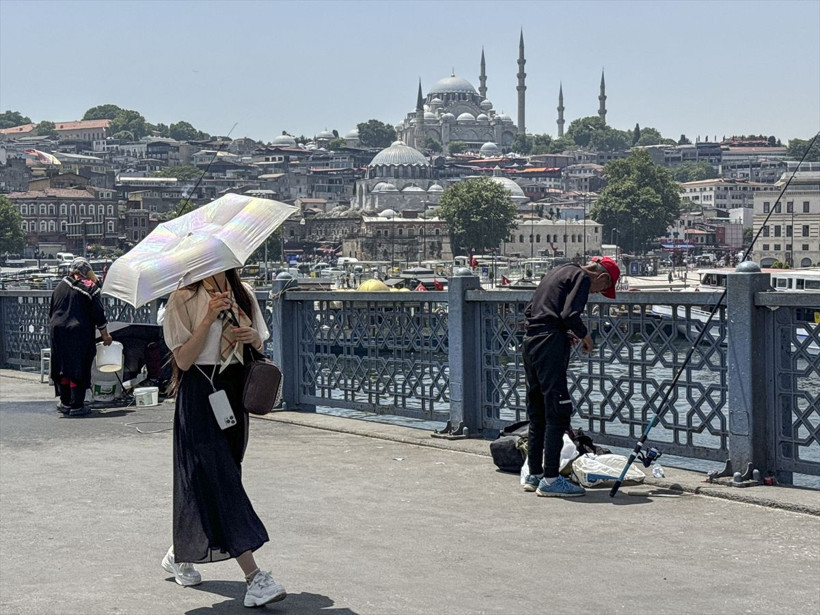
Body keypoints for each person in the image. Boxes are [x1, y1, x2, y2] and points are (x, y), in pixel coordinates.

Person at [161, 268, 287, 607]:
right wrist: (208, 319)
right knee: (222, 478)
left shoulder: (241, 290)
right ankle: (254, 576)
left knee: (222, 473)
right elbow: (184, 360)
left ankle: (181, 551)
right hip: (201, 391)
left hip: (234, 388)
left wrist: (250, 337)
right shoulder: (182, 298)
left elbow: (260, 339)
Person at [521, 256, 620, 497]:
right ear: (602, 277)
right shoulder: (582, 278)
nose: (596, 293)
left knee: (537, 411)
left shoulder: (559, 270)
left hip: (531, 341)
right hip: (549, 345)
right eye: (602, 289)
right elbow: (569, 314)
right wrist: (585, 336)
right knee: (558, 409)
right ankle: (551, 480)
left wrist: (559, 329)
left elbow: (530, 309)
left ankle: (534, 474)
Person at [49, 257, 113, 417]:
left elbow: (51, 311)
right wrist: (105, 335)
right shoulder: (89, 287)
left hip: (57, 330)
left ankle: (65, 402)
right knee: (78, 366)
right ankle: (77, 405)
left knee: (63, 367)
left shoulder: (60, 286)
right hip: (77, 333)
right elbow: (98, 313)